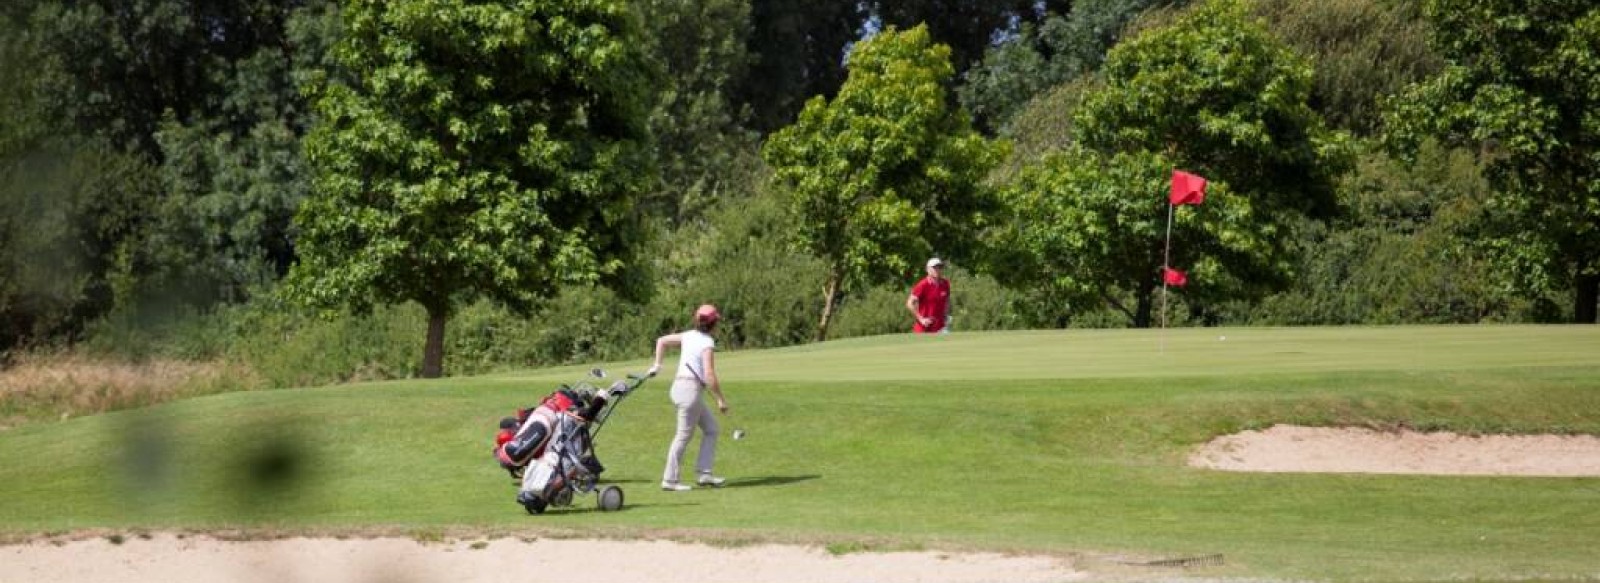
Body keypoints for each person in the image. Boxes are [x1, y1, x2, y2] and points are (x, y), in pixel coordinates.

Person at [647, 304, 729, 491]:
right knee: (683, 435)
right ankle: (669, 480)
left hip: (681, 388)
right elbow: (709, 374)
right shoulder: (707, 342)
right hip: (689, 391)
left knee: (711, 428)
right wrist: (720, 399)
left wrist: (658, 365)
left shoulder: (688, 336)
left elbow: (661, 341)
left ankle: (704, 474)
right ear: (713, 324)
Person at [906, 257, 951, 334]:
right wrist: (921, 319)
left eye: (939, 267)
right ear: (927, 269)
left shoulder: (945, 283)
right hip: (923, 328)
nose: (937, 270)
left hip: (940, 328)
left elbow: (947, 300)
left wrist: (946, 315)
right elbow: (909, 303)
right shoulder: (923, 285)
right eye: (934, 267)